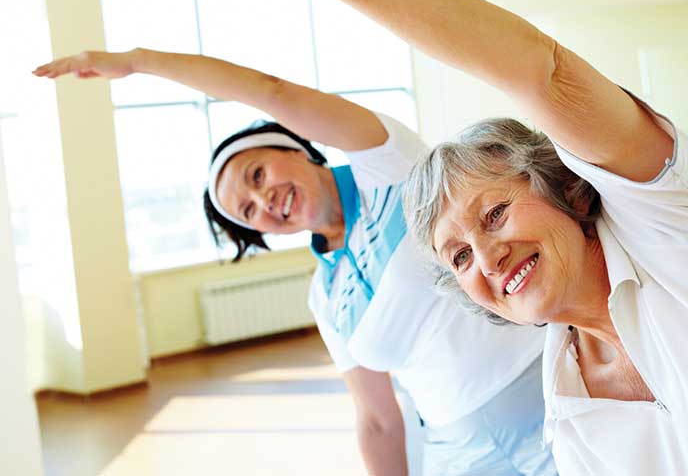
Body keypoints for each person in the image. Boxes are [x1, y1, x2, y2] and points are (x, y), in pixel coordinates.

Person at [83, 0, 688, 475]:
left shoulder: (681, 226)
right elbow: (380, 415)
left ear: (566, 189)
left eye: (493, 215)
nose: (485, 255)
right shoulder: (571, 406)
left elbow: (539, 72)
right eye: (456, 254)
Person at [33, 48, 556, 476]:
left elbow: (271, 90)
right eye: (248, 211)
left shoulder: (388, 166)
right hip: (458, 451)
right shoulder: (325, 296)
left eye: (257, 176)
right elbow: (375, 418)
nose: (265, 203)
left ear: (294, 146)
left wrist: (138, 63)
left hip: (551, 397)